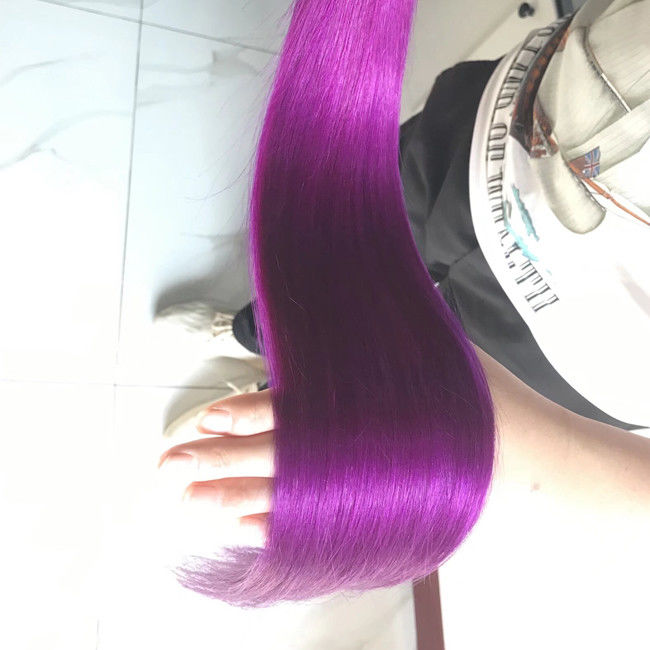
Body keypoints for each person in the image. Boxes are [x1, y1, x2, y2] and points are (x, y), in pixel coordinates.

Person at [158, 0, 650, 641]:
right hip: (490, 139)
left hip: (572, 352)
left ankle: (289, 396)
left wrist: (499, 441)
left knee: (369, 389)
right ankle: (254, 332)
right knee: (331, 268)